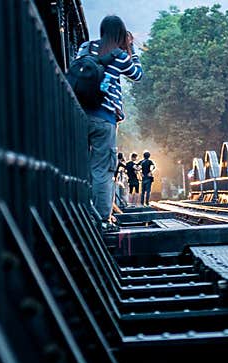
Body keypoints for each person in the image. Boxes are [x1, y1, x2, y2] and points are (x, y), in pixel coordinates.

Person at [77, 17, 143, 224]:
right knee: (103, 169)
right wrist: (132, 48)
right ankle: (101, 219)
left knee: (79, 168)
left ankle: (80, 211)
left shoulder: (85, 47)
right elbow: (137, 75)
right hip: (104, 117)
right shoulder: (120, 55)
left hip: (78, 115)